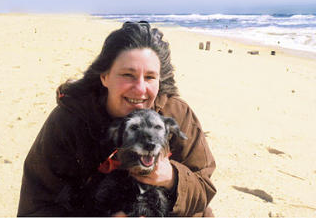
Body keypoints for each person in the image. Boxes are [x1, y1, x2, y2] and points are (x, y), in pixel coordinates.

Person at [17, 21, 216, 217]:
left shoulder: (176, 113)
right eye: (128, 75)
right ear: (105, 77)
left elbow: (204, 187)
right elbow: (35, 207)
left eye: (149, 77)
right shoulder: (70, 120)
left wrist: (172, 177)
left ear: (159, 80)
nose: (140, 89)